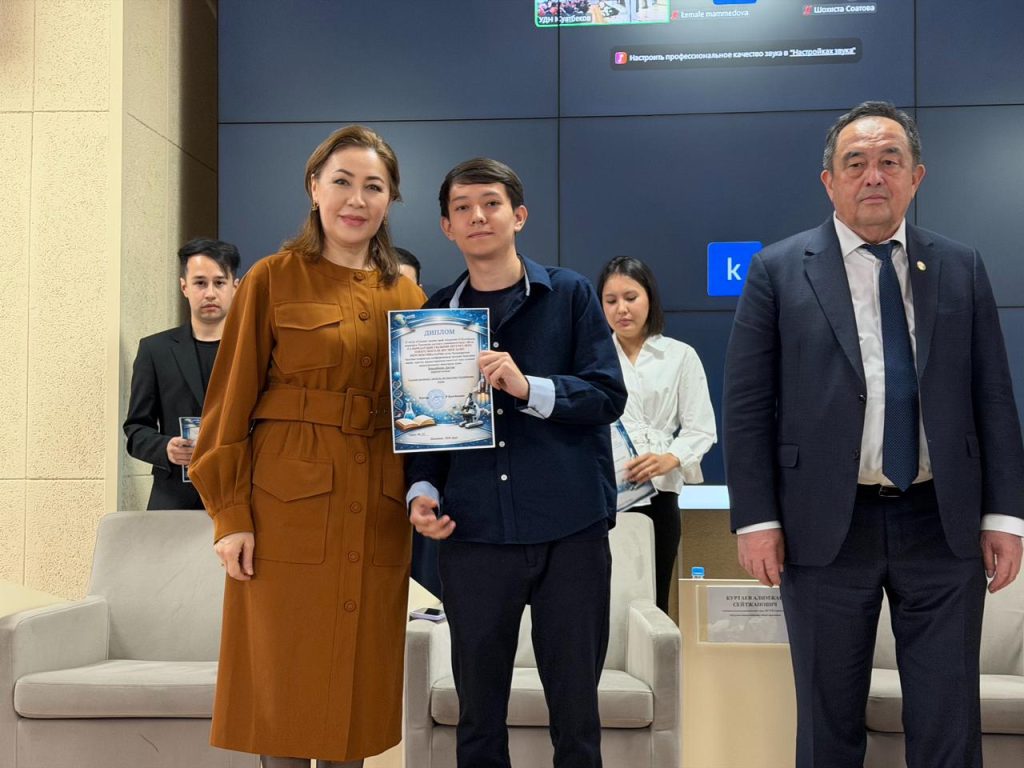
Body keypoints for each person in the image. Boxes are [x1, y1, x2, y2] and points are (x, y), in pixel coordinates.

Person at [723, 101, 1024, 768]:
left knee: (949, 722)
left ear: (917, 176)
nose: (874, 176)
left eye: (891, 160)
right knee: (827, 722)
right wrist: (756, 520)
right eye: (855, 162)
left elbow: (994, 398)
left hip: (941, 521)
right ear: (829, 181)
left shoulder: (962, 267)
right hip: (823, 526)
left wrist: (1004, 516)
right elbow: (747, 406)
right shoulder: (778, 270)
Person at [189, 125, 425, 768]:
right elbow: (226, 405)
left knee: (357, 700)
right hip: (284, 513)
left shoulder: (408, 297)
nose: (357, 199)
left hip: (375, 513)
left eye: (374, 186)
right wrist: (230, 516)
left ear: (390, 200)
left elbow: (425, 417)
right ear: (314, 187)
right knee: (283, 696)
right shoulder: (271, 279)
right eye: (342, 181)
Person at [406, 157, 626, 768]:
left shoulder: (571, 294)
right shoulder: (433, 317)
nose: (478, 216)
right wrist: (421, 491)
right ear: (447, 226)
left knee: (576, 714)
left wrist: (529, 388)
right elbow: (424, 431)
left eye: (492, 204)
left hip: (570, 530)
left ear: (518, 215)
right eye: (462, 208)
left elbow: (607, 396)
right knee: (478, 717)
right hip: (473, 533)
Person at [597, 255, 716, 612]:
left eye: (630, 297)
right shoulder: (592, 358)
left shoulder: (680, 356)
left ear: (649, 297)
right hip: (602, 495)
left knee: (654, 600)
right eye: (611, 300)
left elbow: (701, 427)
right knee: (600, 600)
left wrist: (670, 458)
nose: (621, 309)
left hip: (659, 495)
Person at [123, 238, 240, 509]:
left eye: (219, 282)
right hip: (174, 497)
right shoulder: (155, 350)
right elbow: (136, 429)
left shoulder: (256, 350)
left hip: (239, 497)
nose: (210, 293)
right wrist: (165, 448)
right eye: (200, 283)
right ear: (184, 287)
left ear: (235, 286)